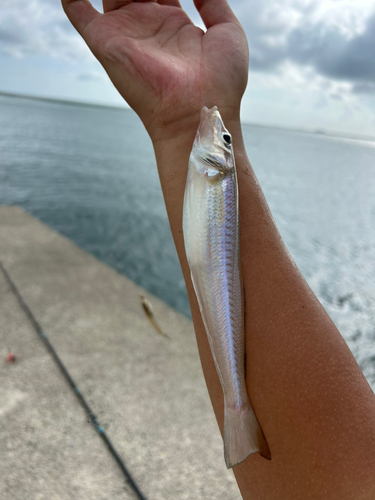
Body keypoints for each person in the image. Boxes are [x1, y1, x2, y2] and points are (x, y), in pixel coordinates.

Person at [61, 1, 375, 497]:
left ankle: (239, 409)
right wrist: (185, 125)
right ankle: (239, 410)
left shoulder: (213, 160)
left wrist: (191, 124)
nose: (218, 130)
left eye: (222, 137)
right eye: (222, 138)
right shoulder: (211, 162)